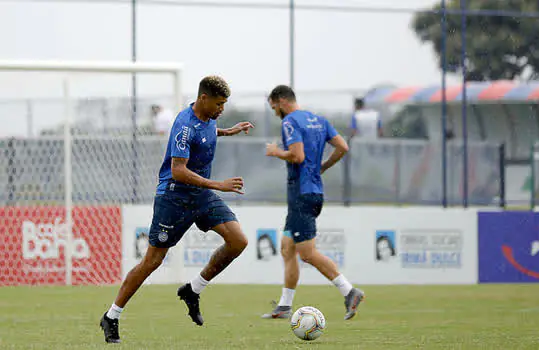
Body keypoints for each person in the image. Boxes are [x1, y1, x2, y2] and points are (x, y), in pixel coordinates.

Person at [100, 76, 254, 343]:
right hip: (174, 198)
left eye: (224, 104)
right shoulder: (184, 125)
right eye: (219, 104)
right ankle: (111, 316)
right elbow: (178, 170)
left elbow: (207, 132)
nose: (222, 109)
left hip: (201, 196)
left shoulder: (210, 117)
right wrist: (218, 184)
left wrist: (229, 131)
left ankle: (193, 290)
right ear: (204, 98)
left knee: (238, 241)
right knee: (152, 262)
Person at [263, 85, 365, 320]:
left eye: (274, 107)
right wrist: (322, 167)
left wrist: (276, 152)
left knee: (307, 254)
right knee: (288, 248)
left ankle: (349, 291)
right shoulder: (318, 120)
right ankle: (284, 306)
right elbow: (342, 146)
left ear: (281, 101)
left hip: (301, 195)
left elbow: (297, 156)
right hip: (313, 192)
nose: (275, 111)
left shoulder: (290, 122)